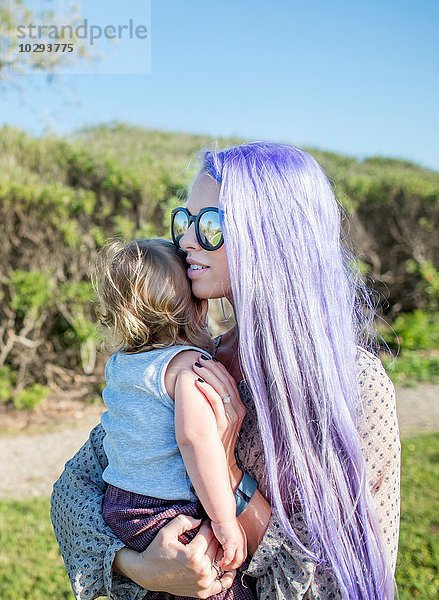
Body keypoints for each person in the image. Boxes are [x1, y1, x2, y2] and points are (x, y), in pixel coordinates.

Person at [51, 142, 401, 599]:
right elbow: (73, 490)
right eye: (186, 221)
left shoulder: (352, 385)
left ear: (275, 237)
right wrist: (140, 567)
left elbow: (335, 579)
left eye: (212, 224)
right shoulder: (190, 364)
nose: (187, 241)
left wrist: (231, 474)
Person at [91, 237, 254, 599]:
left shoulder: (122, 364)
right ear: (194, 310)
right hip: (164, 511)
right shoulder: (187, 367)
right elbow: (195, 440)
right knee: (222, 584)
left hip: (119, 504)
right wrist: (226, 520)